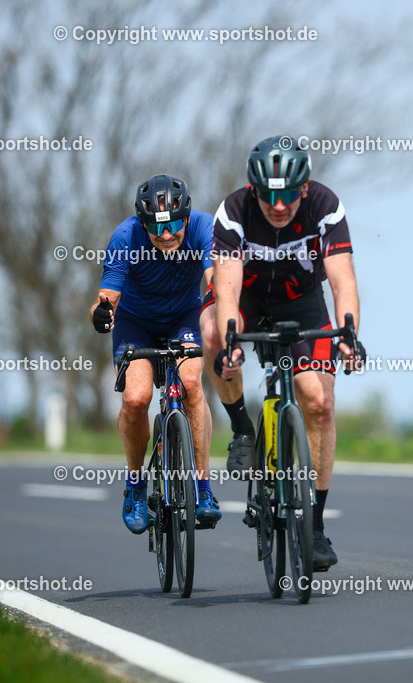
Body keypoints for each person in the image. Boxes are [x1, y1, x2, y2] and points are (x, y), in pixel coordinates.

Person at [200, 136, 364, 571]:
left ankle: (314, 525)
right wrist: (231, 342)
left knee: (319, 402)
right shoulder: (233, 211)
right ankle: (242, 429)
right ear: (253, 189)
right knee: (212, 333)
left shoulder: (325, 206)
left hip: (300, 301)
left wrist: (349, 334)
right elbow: (227, 288)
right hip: (247, 299)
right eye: (267, 196)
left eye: (288, 195)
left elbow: (343, 281)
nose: (277, 206)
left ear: (304, 188)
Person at [90, 174, 221, 534]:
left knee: (191, 384)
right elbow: (105, 299)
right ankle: (135, 485)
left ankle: (203, 489)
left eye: (174, 226)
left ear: (187, 218)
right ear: (142, 224)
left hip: (185, 316)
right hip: (136, 322)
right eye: (156, 228)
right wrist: (101, 314)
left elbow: (215, 280)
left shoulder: (204, 227)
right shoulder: (126, 236)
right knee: (135, 399)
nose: (166, 236)